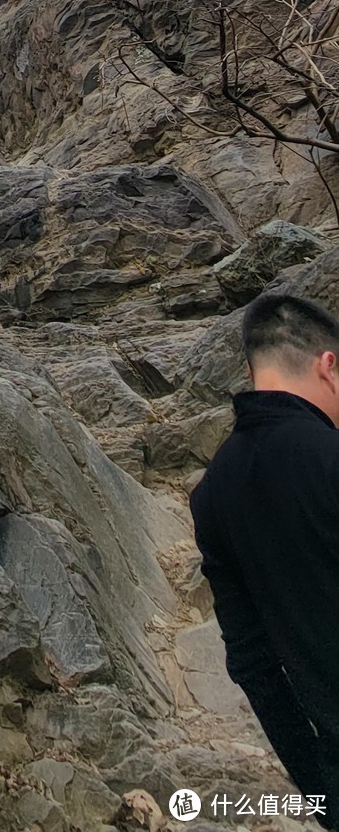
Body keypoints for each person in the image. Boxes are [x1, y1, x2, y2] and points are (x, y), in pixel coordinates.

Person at [190, 292, 339, 825]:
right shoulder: (330, 456)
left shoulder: (211, 494)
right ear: (329, 366)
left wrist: (319, 785)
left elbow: (250, 662)